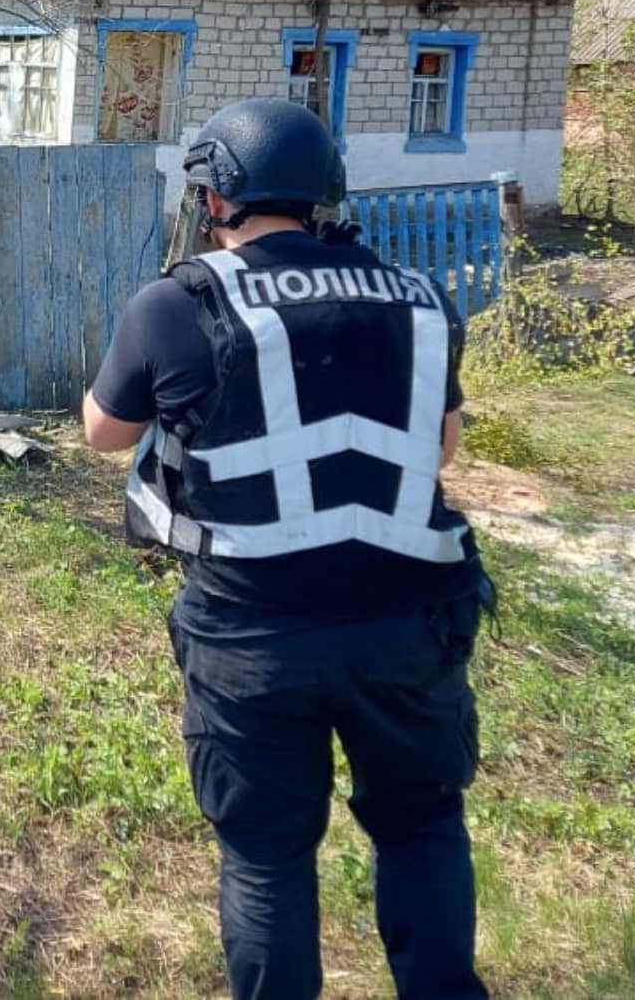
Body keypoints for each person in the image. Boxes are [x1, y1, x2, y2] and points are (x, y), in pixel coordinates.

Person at [83, 97, 492, 1000]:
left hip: (252, 633)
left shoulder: (178, 302)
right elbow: (440, 448)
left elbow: (104, 433)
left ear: (215, 197)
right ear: (322, 195)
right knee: (422, 829)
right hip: (407, 626)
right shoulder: (418, 299)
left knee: (266, 857)